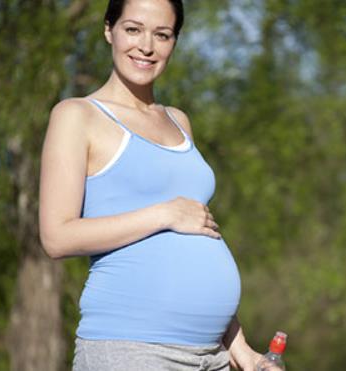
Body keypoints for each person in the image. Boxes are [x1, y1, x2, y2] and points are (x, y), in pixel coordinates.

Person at [38, 0, 262, 369]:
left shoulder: (178, 121)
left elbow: (195, 234)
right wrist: (163, 214)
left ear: (174, 42)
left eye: (162, 34)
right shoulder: (77, 116)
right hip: (134, 350)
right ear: (108, 29)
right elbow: (56, 237)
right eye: (133, 29)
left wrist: (243, 352)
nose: (146, 46)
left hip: (212, 355)